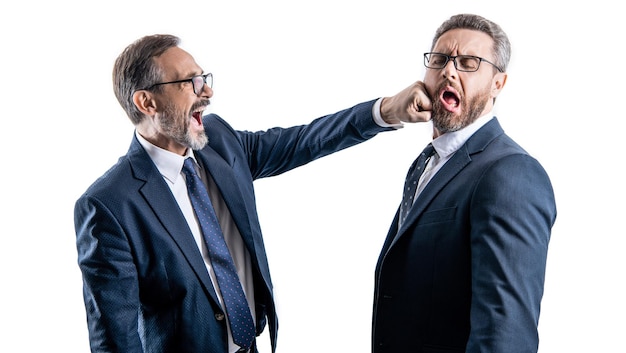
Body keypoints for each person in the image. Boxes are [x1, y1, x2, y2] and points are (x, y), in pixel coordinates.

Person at [74, 34, 429, 353]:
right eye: (190, 82)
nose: (207, 92)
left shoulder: (220, 142)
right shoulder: (110, 204)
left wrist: (384, 111)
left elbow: (303, 140)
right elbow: (114, 340)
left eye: (204, 79)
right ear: (146, 102)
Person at [372, 14, 557, 353]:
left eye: (469, 63)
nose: (449, 71)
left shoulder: (510, 173)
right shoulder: (428, 163)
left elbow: (505, 335)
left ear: (498, 84)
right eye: (440, 60)